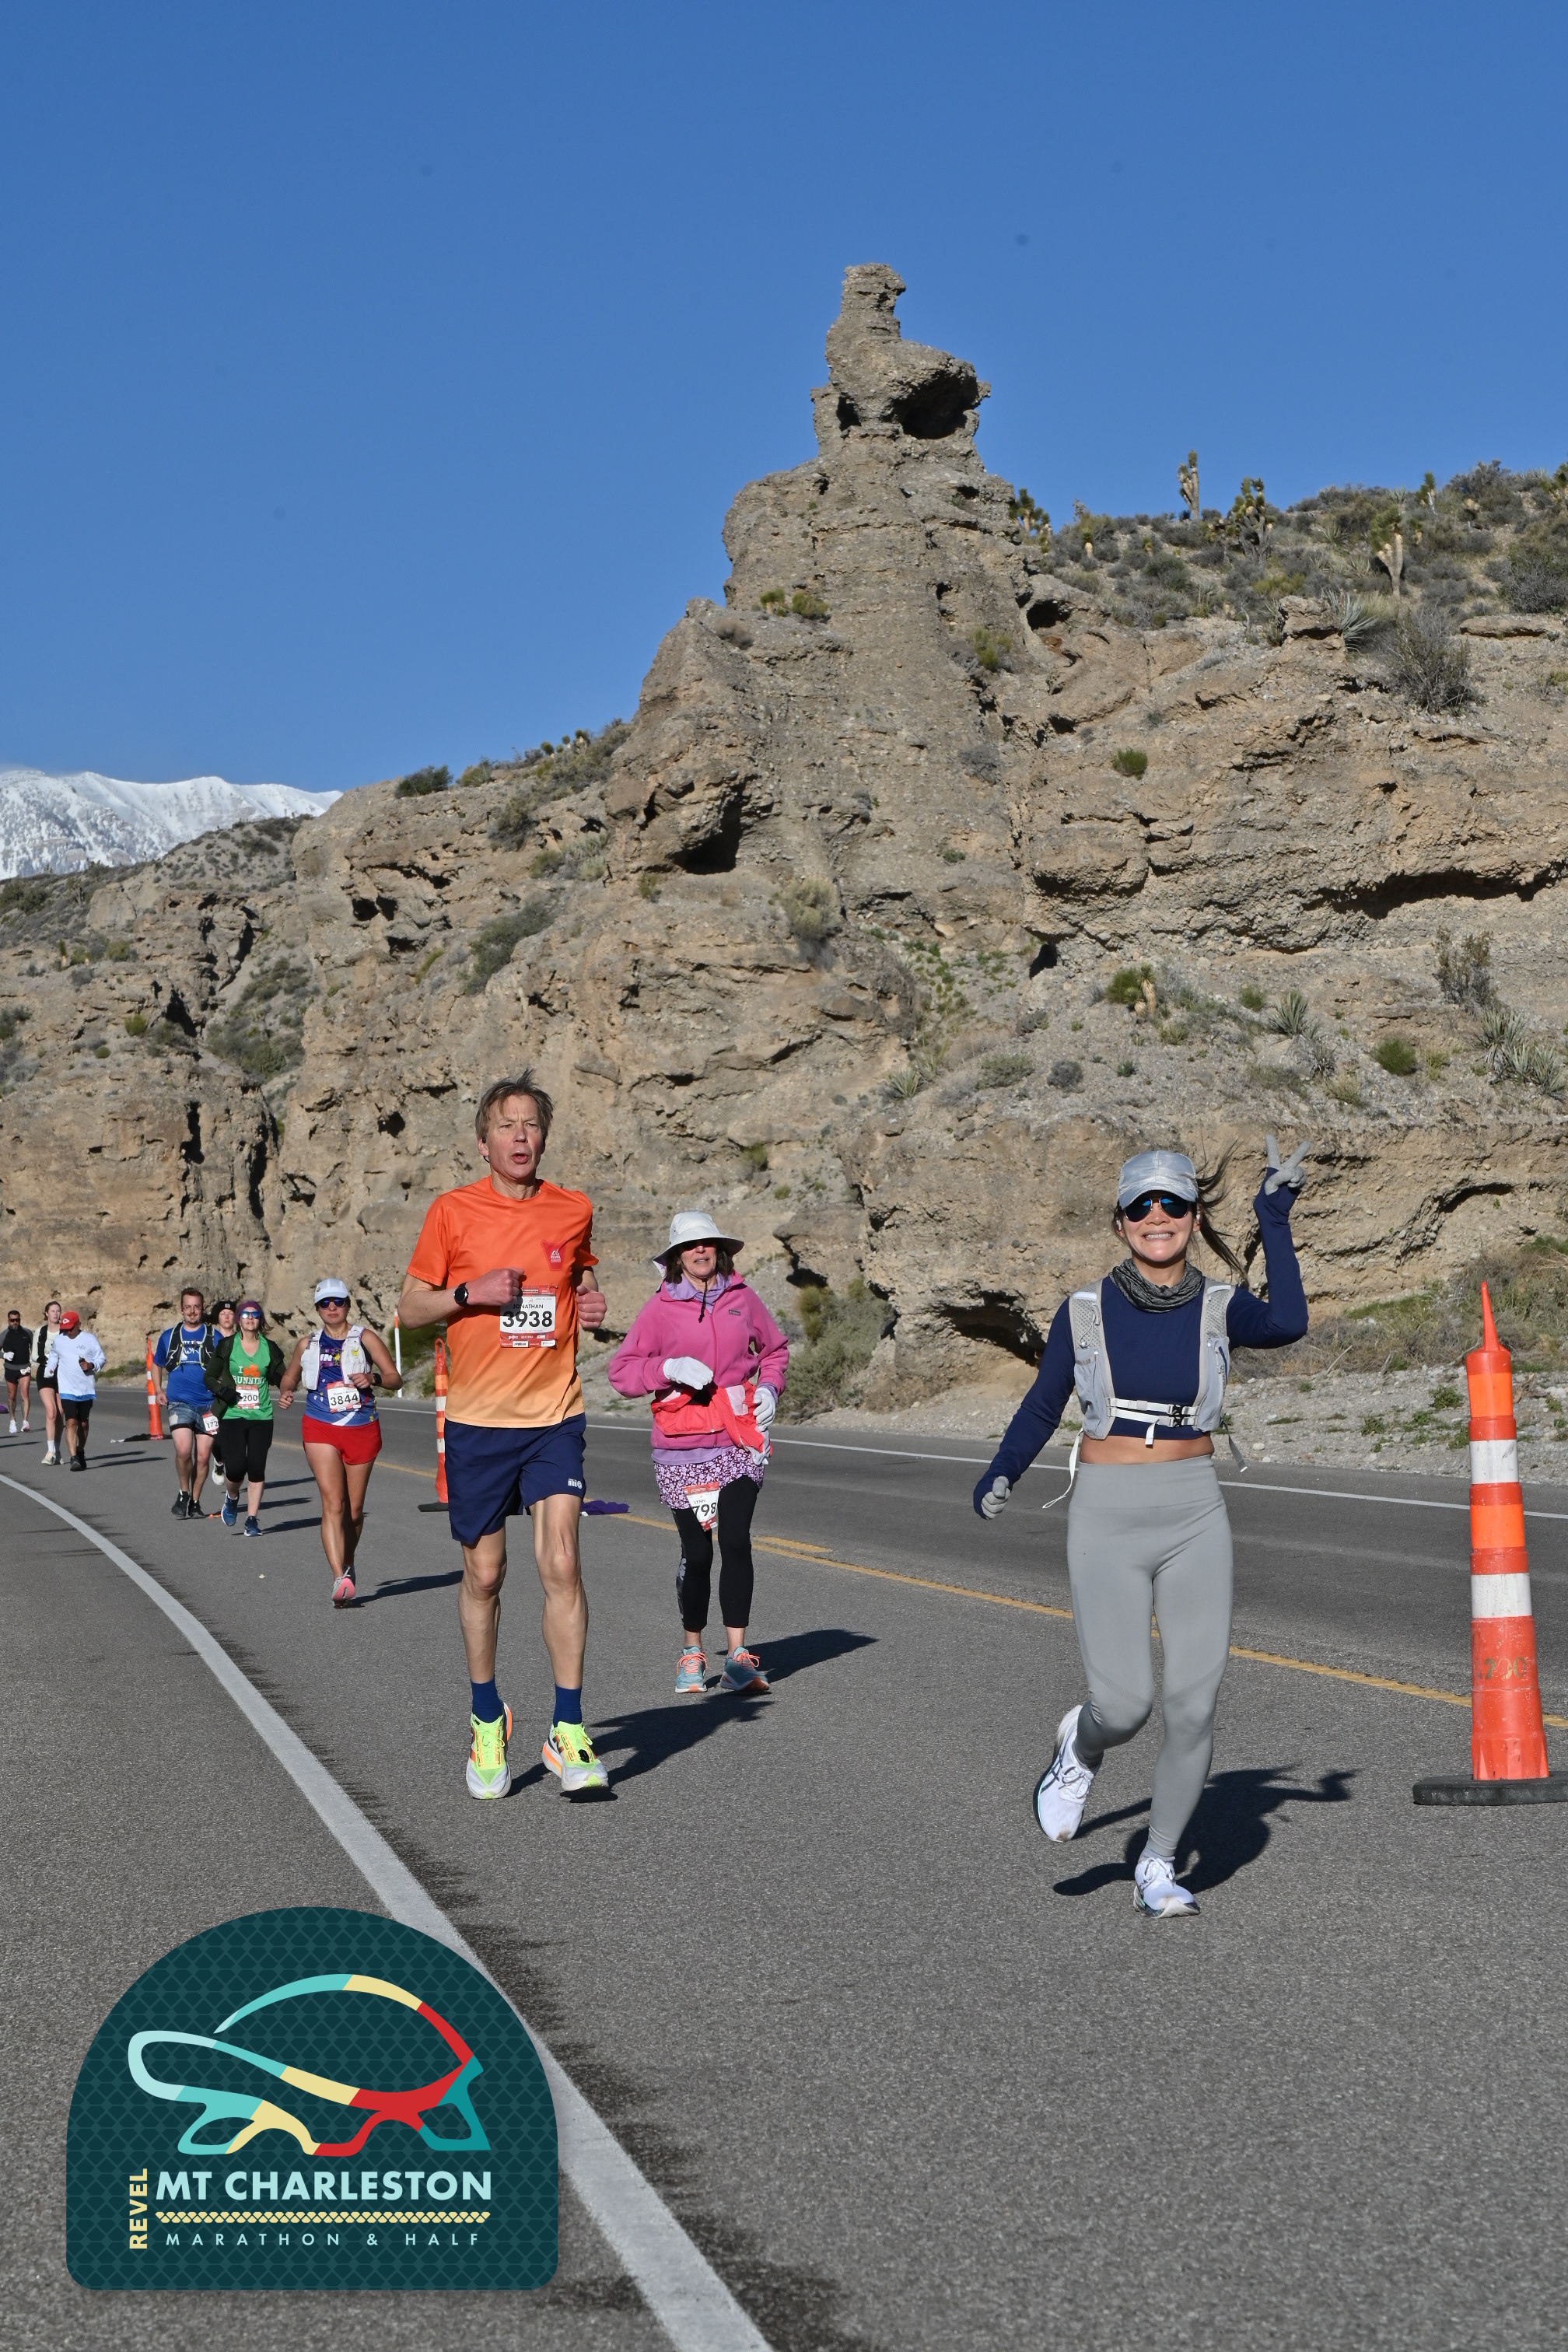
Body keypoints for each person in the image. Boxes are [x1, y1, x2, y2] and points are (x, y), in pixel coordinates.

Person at [974, 1136, 1310, 1919]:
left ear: (1193, 1215)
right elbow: (1044, 1402)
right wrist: (1003, 1469)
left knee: (1193, 1706)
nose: (1158, 1216)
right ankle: (1081, 1744)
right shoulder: (1084, 1310)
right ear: (1121, 1221)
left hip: (1195, 1510)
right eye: (1142, 1205)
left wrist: (1274, 1218)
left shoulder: (1222, 1305)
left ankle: (1157, 1864)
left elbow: (1289, 1320)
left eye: (1174, 1203)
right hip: (1108, 1511)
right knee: (1124, 1706)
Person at [399, 1072, 609, 1800]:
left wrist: (591, 1302)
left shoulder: (572, 1209)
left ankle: (568, 1728)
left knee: (563, 1563)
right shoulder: (452, 1212)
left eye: (531, 1125)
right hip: (478, 1422)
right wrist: (471, 1293)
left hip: (554, 1415)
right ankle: (487, 1717)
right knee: (485, 1576)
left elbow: (578, 1279)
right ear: (483, 1142)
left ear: (543, 1138)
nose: (520, 1136)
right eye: (506, 1125)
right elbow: (409, 1309)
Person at [608, 1212, 788, 1695]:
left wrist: (769, 1388)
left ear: (719, 1249)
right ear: (676, 1257)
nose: (701, 1251)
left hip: (738, 1440)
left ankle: (738, 1658)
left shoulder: (742, 1298)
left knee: (737, 1541)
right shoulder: (659, 1308)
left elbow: (774, 1350)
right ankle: (692, 1651)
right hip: (682, 1448)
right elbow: (622, 1371)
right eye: (690, 1246)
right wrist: (668, 1368)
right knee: (698, 1552)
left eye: (707, 1243)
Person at [280, 1278, 402, 1607]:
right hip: (320, 1425)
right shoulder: (307, 1344)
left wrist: (373, 1378)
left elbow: (395, 1378)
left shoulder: (365, 1338)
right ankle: (339, 1577)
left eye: (338, 1301)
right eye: (325, 1303)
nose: (332, 1308)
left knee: (355, 1511)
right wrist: (287, 1389)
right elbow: (290, 1375)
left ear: (348, 1304)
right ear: (317, 1309)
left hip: (362, 1427)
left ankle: (348, 1562)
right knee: (333, 1503)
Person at [202, 1300, 286, 1536]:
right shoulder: (227, 1346)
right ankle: (232, 1497)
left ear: (261, 1320)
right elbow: (209, 1377)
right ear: (239, 1320)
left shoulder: (270, 1348)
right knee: (237, 1468)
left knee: (257, 1468)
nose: (250, 1318)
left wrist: (287, 1390)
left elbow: (282, 1377)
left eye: (255, 1314)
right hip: (233, 1414)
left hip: (262, 1415)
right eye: (246, 1314)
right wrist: (223, 1391)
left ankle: (251, 1520)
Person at [153, 1286, 219, 1520]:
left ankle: (195, 1501)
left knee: (203, 1456)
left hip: (209, 1405)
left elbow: (227, 1367)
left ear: (203, 1309)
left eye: (196, 1307)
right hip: (179, 1402)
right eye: (188, 1307)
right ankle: (183, 1492)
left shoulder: (215, 1337)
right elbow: (157, 1363)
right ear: (181, 1309)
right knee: (183, 1450)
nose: (192, 1311)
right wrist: (158, 1390)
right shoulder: (169, 1336)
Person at [47, 1309, 106, 1471]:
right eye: (65, 1329)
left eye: (71, 1328)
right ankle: (73, 1458)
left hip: (85, 1388)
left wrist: (91, 1365)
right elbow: (53, 1356)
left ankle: (80, 1451)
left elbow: (101, 1358)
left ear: (79, 1324)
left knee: (84, 1424)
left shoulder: (89, 1339)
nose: (68, 1332)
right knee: (71, 1421)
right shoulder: (59, 1340)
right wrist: (50, 1368)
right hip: (67, 1388)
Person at [35, 1300, 62, 1464]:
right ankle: (50, 1452)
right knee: (51, 1412)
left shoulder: (65, 1331)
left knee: (60, 1413)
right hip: (45, 1373)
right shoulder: (40, 1332)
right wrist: (46, 1358)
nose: (56, 1314)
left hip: (63, 1374)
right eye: (52, 1311)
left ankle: (57, 1450)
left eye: (58, 1311)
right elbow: (34, 1356)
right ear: (46, 1313)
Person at [4, 1309, 32, 1434]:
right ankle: (12, 1420)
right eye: (12, 1320)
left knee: (25, 1395)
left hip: (25, 1367)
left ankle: (25, 1421)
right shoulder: (4, 1334)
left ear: (20, 1320)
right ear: (8, 1321)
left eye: (17, 1320)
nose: (15, 1322)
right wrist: (4, 1355)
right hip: (10, 1368)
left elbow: (34, 1346)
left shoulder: (27, 1333)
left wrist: (34, 1357)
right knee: (12, 1396)